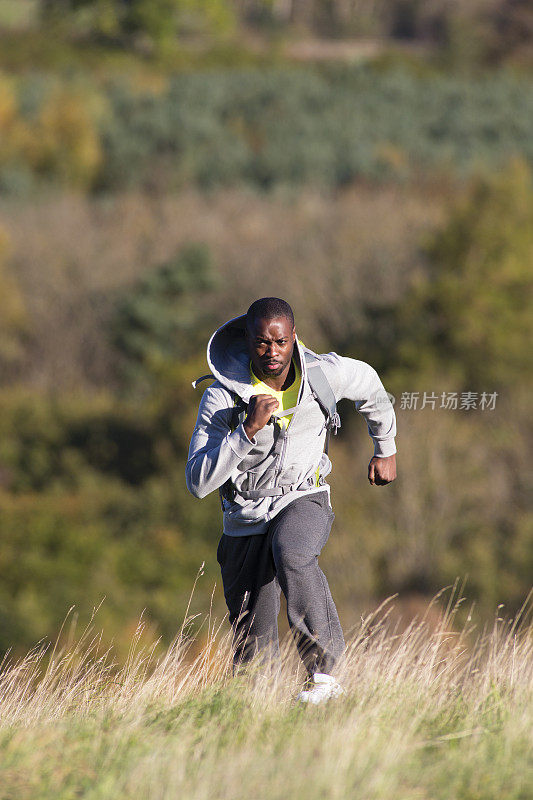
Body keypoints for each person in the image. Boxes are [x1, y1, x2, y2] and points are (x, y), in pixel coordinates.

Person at [186, 297, 397, 703]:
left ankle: (324, 676)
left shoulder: (323, 375)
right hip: (244, 516)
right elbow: (197, 481)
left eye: (280, 342)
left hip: (304, 496)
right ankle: (252, 713)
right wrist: (245, 431)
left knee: (293, 551)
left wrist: (384, 447)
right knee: (253, 647)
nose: (271, 352)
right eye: (262, 343)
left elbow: (370, 384)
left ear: (293, 338)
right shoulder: (222, 398)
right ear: (248, 342)